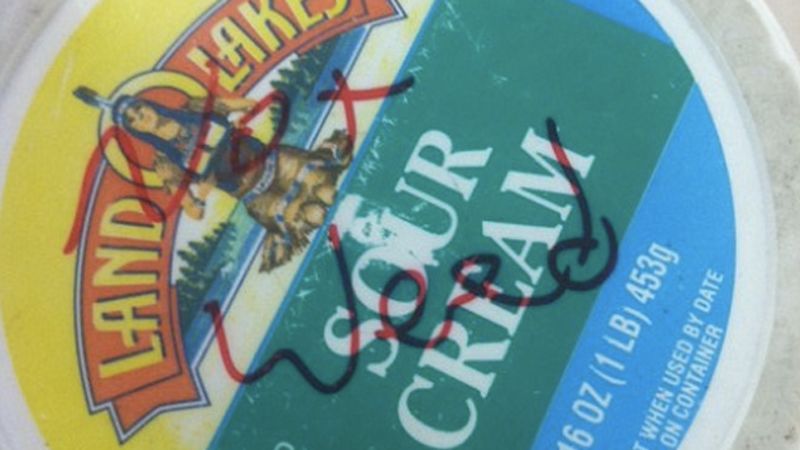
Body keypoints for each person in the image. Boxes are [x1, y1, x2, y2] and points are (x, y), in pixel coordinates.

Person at [75, 86, 353, 272]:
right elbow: (194, 212)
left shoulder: (193, 109)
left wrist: (241, 119)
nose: (142, 117)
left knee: (327, 190)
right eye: (134, 120)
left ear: (147, 104)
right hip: (255, 197)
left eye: (139, 109)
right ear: (133, 129)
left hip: (278, 163)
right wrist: (203, 192)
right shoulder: (165, 164)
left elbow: (249, 104)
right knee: (312, 216)